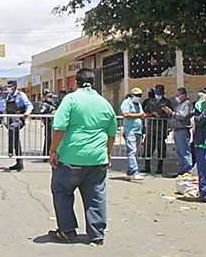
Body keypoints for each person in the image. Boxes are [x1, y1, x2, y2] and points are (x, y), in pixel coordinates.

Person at [47, 68, 117, 245]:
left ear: (75, 82)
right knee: (96, 195)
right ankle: (97, 234)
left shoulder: (70, 100)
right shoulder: (104, 103)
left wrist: (53, 150)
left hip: (71, 157)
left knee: (62, 192)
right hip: (97, 158)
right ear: (94, 83)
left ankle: (67, 231)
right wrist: (108, 154)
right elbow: (111, 133)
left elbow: (59, 126)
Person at [143, 84, 173, 174]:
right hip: (151, 128)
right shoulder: (150, 101)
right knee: (148, 148)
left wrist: (161, 116)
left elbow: (170, 114)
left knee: (161, 149)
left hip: (161, 128)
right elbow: (146, 111)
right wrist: (152, 114)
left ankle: (159, 167)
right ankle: (147, 166)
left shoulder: (166, 102)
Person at [163, 87, 193, 177]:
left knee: (185, 151)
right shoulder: (179, 104)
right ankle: (182, 169)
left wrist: (171, 113)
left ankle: (188, 170)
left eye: (178, 95)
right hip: (177, 130)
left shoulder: (186, 104)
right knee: (179, 151)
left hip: (183, 130)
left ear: (183, 95)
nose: (176, 97)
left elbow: (182, 116)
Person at [4, 79, 33, 172]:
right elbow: (7, 110)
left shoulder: (21, 95)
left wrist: (27, 113)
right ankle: (19, 163)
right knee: (16, 141)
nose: (9, 88)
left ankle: (10, 151)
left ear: (15, 86)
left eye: (10, 86)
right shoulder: (9, 97)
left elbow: (29, 105)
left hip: (19, 120)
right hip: (11, 121)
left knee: (12, 129)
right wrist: (6, 121)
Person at [121, 87, 147, 181]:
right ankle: (135, 172)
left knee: (136, 152)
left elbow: (141, 113)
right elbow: (126, 114)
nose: (138, 97)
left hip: (138, 131)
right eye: (136, 95)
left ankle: (129, 172)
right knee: (132, 151)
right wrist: (138, 115)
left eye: (140, 95)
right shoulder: (126, 103)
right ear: (132, 95)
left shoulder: (138, 104)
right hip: (130, 130)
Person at [38, 89, 58, 160]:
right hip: (48, 123)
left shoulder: (53, 103)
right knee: (48, 139)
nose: (50, 97)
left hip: (55, 124)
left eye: (51, 95)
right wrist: (50, 114)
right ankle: (46, 155)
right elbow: (42, 113)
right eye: (48, 95)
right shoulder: (44, 104)